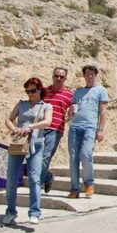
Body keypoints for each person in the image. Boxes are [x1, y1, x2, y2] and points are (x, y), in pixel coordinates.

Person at [3, 77, 54, 226]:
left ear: (40, 90)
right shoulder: (21, 104)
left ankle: (34, 212)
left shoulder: (46, 106)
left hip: (36, 144)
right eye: (27, 91)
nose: (30, 94)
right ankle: (11, 211)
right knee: (11, 178)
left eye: (33, 91)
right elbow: (9, 119)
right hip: (19, 142)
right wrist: (14, 129)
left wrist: (30, 127)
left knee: (34, 178)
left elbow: (48, 122)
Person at [67, 64, 108, 199]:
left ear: (95, 76)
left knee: (85, 154)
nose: (89, 76)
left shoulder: (100, 90)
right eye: (87, 74)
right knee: (73, 158)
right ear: (84, 76)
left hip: (90, 127)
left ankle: (89, 183)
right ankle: (74, 188)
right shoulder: (78, 92)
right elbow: (71, 113)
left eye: (92, 74)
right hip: (75, 127)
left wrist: (100, 130)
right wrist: (71, 112)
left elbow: (103, 112)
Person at [41, 67, 73, 195]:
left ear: (65, 78)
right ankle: (47, 177)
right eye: (56, 76)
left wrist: (67, 118)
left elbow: (73, 110)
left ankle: (37, 185)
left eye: (62, 77)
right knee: (34, 157)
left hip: (55, 130)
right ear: (53, 76)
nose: (58, 78)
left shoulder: (69, 94)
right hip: (39, 129)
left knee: (45, 157)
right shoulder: (44, 91)